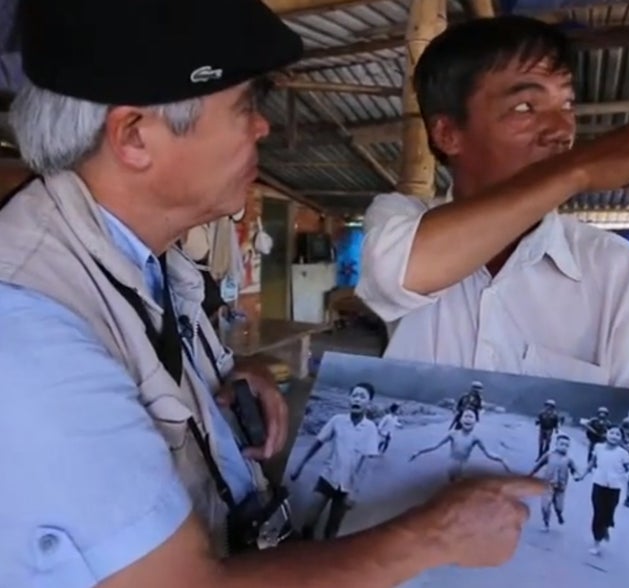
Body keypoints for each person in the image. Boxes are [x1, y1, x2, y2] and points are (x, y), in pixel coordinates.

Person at [0, 2, 547, 586]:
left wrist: (229, 381)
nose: (262, 126)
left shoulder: (146, 262)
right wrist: (435, 536)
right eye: (243, 107)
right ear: (134, 137)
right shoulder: (29, 328)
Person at [355, 16, 629, 393]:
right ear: (449, 133)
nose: (562, 129)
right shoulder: (400, 217)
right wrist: (579, 168)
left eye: (567, 104)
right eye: (525, 107)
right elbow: (399, 274)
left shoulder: (613, 266)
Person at [289, 383, 380, 540]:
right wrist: (299, 466)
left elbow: (367, 464)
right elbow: (317, 443)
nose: (357, 399)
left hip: (347, 488)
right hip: (327, 478)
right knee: (308, 523)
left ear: (369, 403)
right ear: (349, 399)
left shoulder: (370, 429)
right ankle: (303, 552)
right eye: (354, 395)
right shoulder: (337, 420)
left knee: (331, 531)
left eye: (362, 396)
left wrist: (354, 493)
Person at [410, 408, 512, 482]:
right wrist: (419, 452)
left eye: (471, 417)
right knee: (451, 486)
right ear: (460, 420)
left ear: (476, 421)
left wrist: (501, 459)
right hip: (451, 465)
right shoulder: (453, 434)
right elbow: (435, 445)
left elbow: (488, 453)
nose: (468, 419)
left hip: (463, 466)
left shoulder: (475, 438)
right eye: (465, 416)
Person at [576, 426, 629, 556]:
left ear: (621, 438)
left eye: (617, 434)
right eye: (612, 433)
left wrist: (625, 477)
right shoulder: (598, 447)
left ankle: (606, 526)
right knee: (598, 513)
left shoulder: (623, 454)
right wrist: (582, 475)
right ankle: (597, 543)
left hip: (614, 488)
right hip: (598, 484)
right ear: (606, 434)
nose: (614, 436)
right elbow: (592, 463)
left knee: (608, 514)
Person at [529, 434, 581, 531]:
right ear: (556, 444)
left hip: (561, 487)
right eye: (562, 444)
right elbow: (538, 465)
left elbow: (575, 470)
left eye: (566, 445)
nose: (564, 447)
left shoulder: (568, 460)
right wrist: (530, 475)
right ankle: (546, 523)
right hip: (547, 484)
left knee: (559, 507)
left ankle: (559, 514)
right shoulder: (549, 455)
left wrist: (576, 476)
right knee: (545, 506)